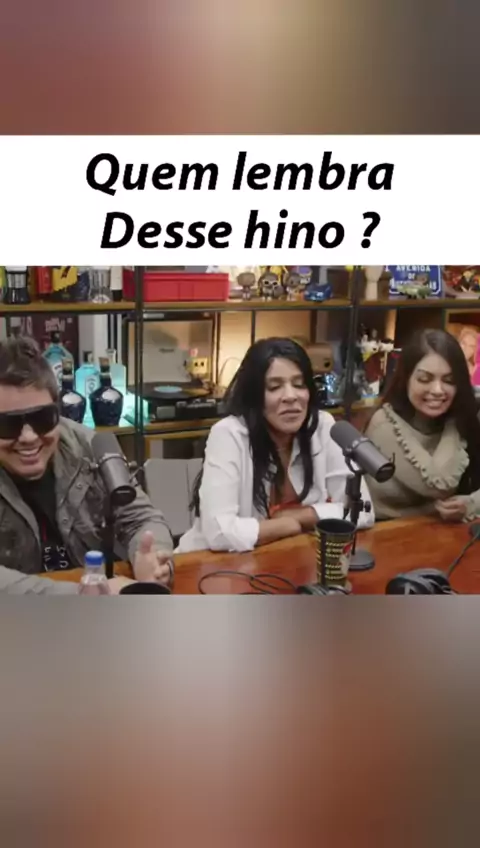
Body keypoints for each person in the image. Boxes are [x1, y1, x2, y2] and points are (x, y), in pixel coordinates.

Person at [0, 337, 174, 594]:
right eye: (8, 424)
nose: (28, 437)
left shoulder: (90, 446)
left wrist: (151, 557)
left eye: (41, 419)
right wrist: (81, 595)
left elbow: (140, 517)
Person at [177, 337, 374, 553]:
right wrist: (287, 525)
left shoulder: (323, 426)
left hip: (287, 558)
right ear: (254, 396)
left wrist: (304, 515)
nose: (290, 396)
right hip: (209, 562)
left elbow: (363, 512)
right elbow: (219, 533)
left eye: (299, 384)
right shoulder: (228, 434)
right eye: (274, 387)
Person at [365, 328, 480, 521]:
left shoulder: (465, 415)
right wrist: (455, 423)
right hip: (385, 531)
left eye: (449, 380)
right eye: (425, 379)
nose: (437, 390)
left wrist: (472, 503)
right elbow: (440, 484)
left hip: (445, 533)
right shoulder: (384, 424)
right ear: (406, 379)